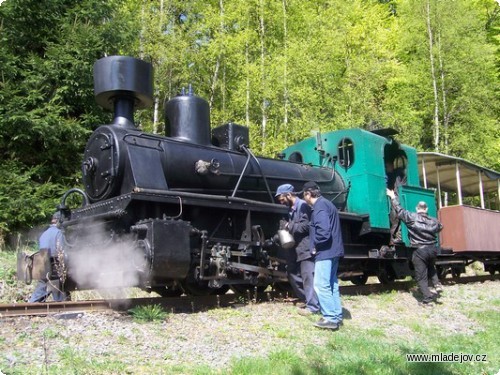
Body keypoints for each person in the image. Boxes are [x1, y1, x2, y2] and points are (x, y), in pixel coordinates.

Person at [386, 189, 443, 304]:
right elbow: (441, 227)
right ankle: (437, 284)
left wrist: (393, 197)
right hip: (433, 249)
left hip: (419, 250)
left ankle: (427, 299)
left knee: (421, 277)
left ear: (417, 209)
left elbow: (399, 210)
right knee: (431, 266)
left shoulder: (412, 217)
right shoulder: (434, 221)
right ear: (426, 209)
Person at [302, 181, 344, 330]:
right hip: (334, 250)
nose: (304, 198)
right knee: (332, 284)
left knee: (320, 284)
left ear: (308, 193)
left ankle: (330, 318)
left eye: (304, 194)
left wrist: (314, 246)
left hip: (325, 251)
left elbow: (324, 232)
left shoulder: (319, 207)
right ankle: (336, 315)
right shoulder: (327, 204)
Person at [275, 184, 320, 315]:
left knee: (307, 276)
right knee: (291, 272)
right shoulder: (291, 208)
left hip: (306, 247)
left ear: (289, 195)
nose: (280, 201)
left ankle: (313, 307)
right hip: (297, 248)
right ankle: (309, 299)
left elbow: (307, 226)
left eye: (281, 198)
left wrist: (290, 226)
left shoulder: (303, 206)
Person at [29, 212, 68, 303]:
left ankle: (31, 304)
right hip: (54, 264)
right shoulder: (59, 233)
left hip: (42, 263)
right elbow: (61, 251)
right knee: (56, 285)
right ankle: (62, 305)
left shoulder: (44, 234)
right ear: (59, 221)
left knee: (44, 283)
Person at [385, 159, 407, 245]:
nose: (385, 169)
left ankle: (397, 237)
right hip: (395, 196)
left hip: (399, 198)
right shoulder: (392, 175)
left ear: (391, 165)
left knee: (395, 214)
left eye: (386, 166)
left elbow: (399, 189)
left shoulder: (399, 174)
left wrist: (393, 196)